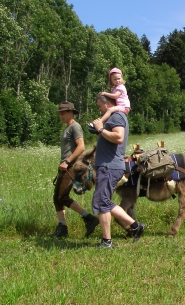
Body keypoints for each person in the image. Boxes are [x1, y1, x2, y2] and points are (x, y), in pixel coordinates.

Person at [91, 94, 146, 248]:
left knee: (102, 201)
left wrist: (101, 129)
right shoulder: (113, 117)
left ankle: (130, 228)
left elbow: (118, 137)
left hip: (109, 166)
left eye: (100, 107)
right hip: (108, 166)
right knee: (102, 202)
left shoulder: (117, 116)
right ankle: (113, 237)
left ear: (108, 103)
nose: (100, 110)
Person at [50, 101, 99, 238]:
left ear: (71, 112)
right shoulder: (68, 128)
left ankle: (89, 218)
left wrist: (67, 161)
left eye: (64, 112)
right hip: (65, 167)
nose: (61, 115)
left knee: (62, 197)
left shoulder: (75, 127)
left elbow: (81, 146)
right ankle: (62, 227)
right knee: (57, 198)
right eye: (60, 113)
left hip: (71, 167)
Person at [88, 67, 130, 134]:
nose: (117, 81)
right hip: (120, 106)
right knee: (108, 113)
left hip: (124, 106)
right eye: (115, 79)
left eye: (119, 78)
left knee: (109, 110)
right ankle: (97, 124)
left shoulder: (121, 87)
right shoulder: (115, 88)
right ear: (111, 81)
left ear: (122, 78)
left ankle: (100, 122)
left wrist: (105, 93)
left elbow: (115, 96)